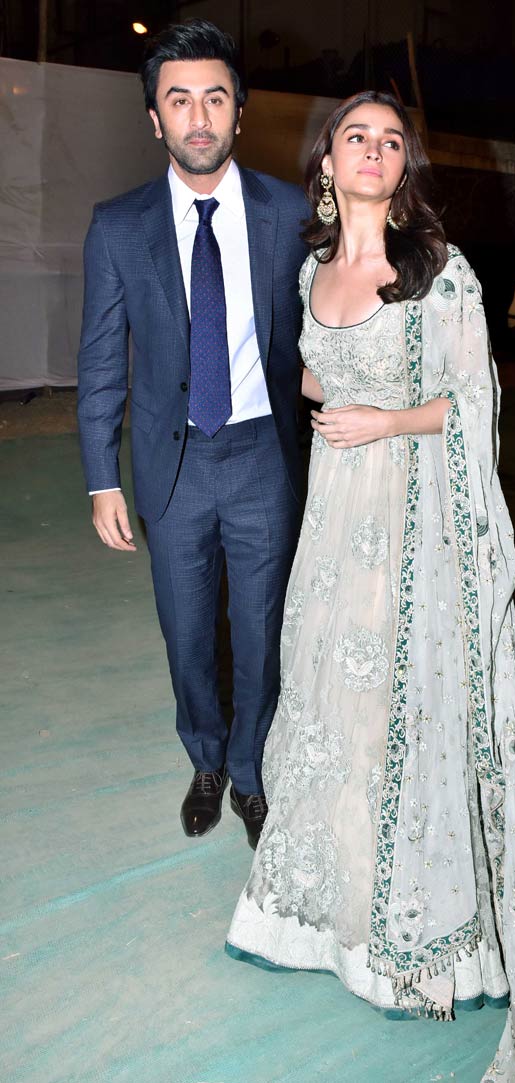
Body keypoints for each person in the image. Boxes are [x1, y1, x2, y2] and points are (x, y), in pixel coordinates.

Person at [226, 92, 515, 1082]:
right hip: (335, 528)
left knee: (400, 714)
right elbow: (316, 375)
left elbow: (472, 399)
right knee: (334, 711)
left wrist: (380, 419)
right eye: (353, 137)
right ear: (325, 161)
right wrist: (335, 399)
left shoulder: (439, 273)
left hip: (414, 526)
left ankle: (414, 948)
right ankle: (327, 918)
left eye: (389, 141)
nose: (371, 152)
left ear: (404, 167)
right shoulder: (311, 270)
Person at [77, 20, 307, 846]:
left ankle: (249, 770)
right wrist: (103, 474)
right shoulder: (119, 225)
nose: (199, 116)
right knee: (185, 633)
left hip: (263, 460)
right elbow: (101, 359)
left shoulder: (287, 212)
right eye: (180, 99)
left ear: (240, 112)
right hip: (172, 469)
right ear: (154, 118)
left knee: (260, 629)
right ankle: (205, 756)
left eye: (215, 97)